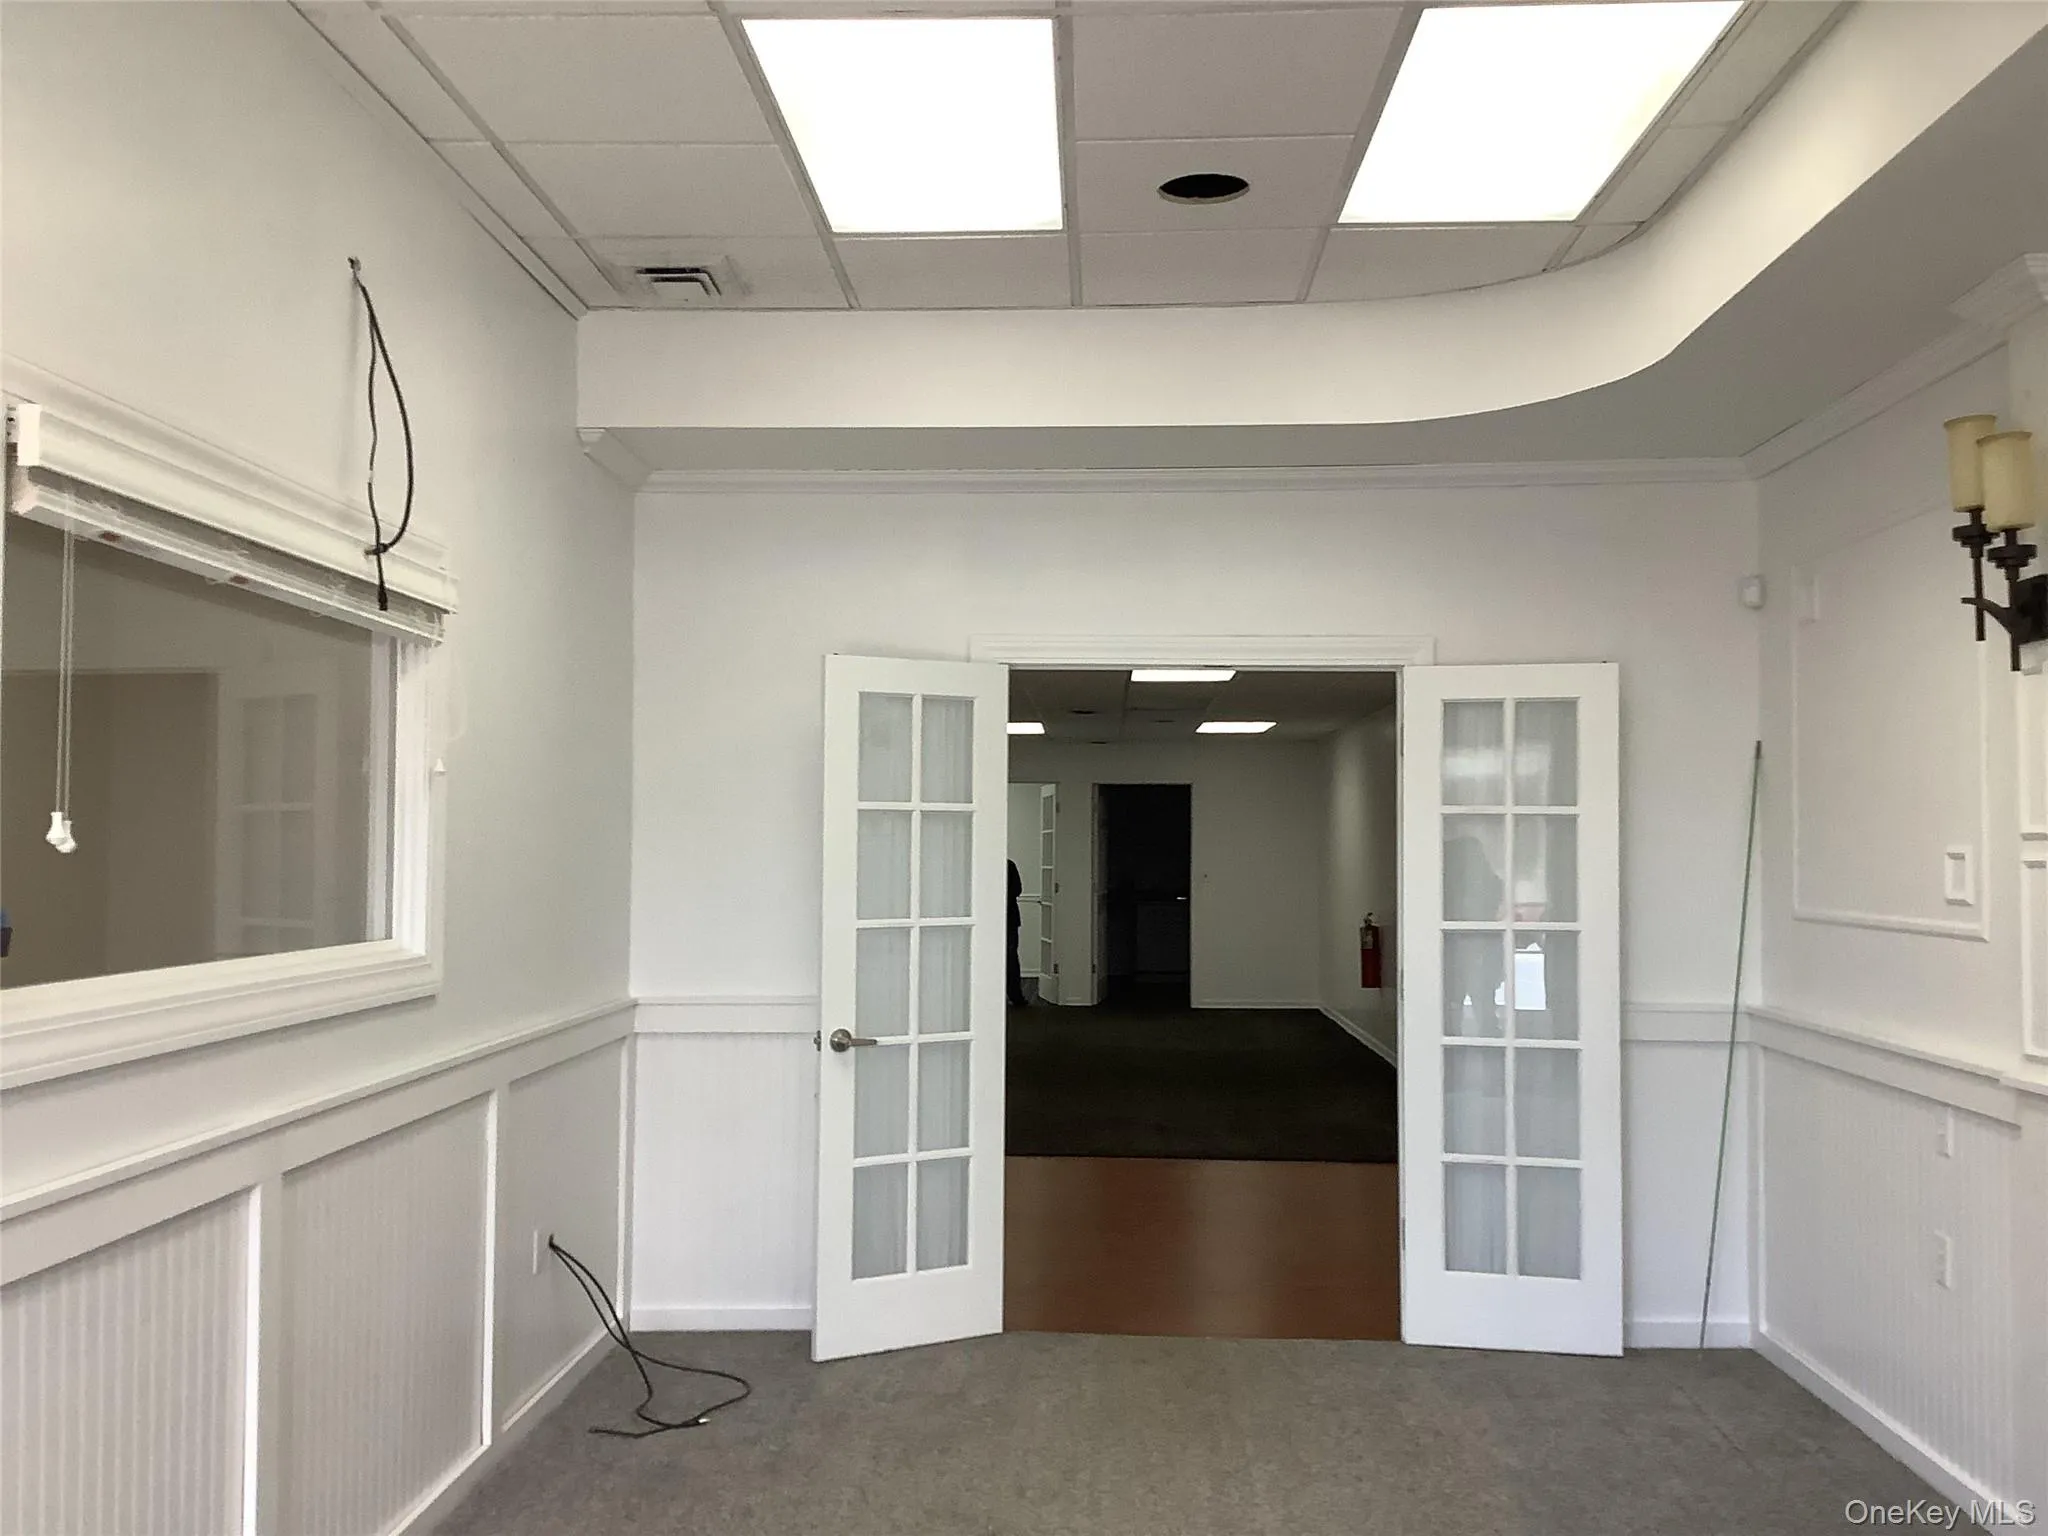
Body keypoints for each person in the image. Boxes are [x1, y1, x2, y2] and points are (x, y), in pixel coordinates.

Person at [1006, 858, 1028, 1007]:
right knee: (1011, 958)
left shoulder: (981, 865)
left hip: (999, 917)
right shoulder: (1009, 864)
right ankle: (1015, 996)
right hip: (1010, 917)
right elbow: (1018, 890)